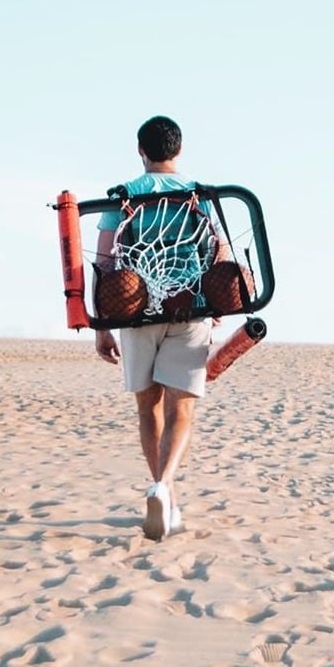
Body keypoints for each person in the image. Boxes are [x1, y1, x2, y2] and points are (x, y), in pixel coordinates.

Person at [94, 115, 221, 541]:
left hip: (135, 312)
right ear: (179, 151)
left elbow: (106, 264)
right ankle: (164, 486)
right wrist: (218, 304)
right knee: (180, 408)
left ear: (140, 151)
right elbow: (216, 250)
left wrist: (102, 328)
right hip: (188, 308)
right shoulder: (196, 195)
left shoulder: (123, 196)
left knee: (148, 409)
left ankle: (162, 492)